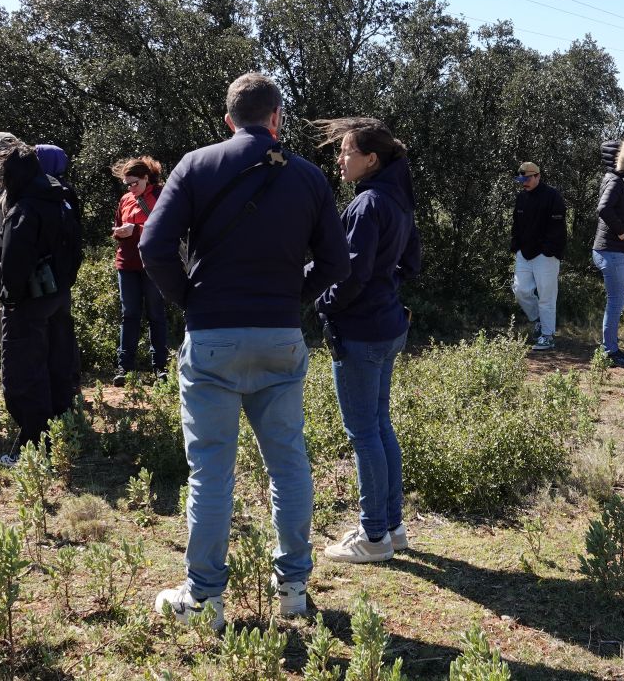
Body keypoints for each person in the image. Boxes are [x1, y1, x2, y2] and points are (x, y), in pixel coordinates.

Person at [142, 72, 349, 629]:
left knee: (211, 472)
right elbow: (336, 263)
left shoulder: (196, 165)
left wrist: (190, 300)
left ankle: (204, 599)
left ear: (229, 120)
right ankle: (294, 589)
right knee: (289, 464)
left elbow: (153, 245)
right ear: (277, 118)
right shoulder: (308, 176)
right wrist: (290, 297)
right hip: (280, 336)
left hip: (213, 336)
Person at [313, 117, 421, 564]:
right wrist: (383, 287)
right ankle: (392, 528)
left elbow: (350, 274)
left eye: (346, 152)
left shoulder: (367, 204)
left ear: (371, 159)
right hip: (388, 325)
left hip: (360, 333)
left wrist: (322, 303)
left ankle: (373, 535)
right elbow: (410, 263)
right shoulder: (397, 198)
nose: (340, 159)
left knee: (363, 432)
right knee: (378, 426)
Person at [0, 141, 81, 463]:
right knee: (57, 366)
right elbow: (76, 248)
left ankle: (34, 446)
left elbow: (14, 260)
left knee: (24, 374)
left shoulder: (24, 208)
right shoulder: (62, 198)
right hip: (58, 295)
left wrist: (10, 296)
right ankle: (62, 434)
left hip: (27, 301)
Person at [110, 155, 170, 385]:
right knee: (129, 315)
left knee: (156, 314)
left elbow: (165, 227)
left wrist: (135, 230)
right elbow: (117, 227)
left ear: (146, 178)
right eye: (127, 184)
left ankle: (160, 367)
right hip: (127, 263)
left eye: (134, 183)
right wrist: (119, 232)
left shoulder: (161, 195)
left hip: (153, 264)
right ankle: (124, 368)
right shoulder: (125, 199)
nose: (131, 188)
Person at [35, 144, 82, 401]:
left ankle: (65, 383)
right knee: (63, 326)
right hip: (64, 272)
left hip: (51, 273)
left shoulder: (53, 192)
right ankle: (69, 382)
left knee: (57, 328)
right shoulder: (66, 191)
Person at [592, 137, 624, 368]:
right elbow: (603, 208)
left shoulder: (616, 179)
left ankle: (610, 347)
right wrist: (621, 232)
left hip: (610, 251)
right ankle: (610, 351)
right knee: (616, 302)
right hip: (611, 251)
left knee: (616, 302)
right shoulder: (615, 180)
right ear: (622, 159)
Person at [510, 160, 566, 351]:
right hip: (524, 253)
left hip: (546, 255)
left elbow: (558, 228)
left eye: (527, 179)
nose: (524, 183)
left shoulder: (553, 196)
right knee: (520, 290)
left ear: (538, 176)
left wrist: (548, 250)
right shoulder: (521, 197)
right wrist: (516, 246)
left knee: (546, 297)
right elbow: (516, 224)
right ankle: (539, 320)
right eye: (522, 180)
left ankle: (547, 336)